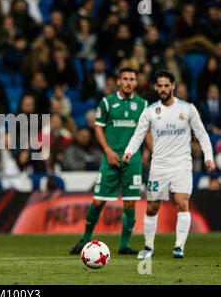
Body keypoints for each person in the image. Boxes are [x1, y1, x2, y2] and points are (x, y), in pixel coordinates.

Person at [122, 70, 215, 259]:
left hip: (181, 164)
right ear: (156, 87)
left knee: (182, 203)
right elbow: (139, 134)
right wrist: (129, 151)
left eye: (167, 85)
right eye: (160, 86)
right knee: (151, 208)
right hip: (159, 166)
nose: (163, 89)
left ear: (173, 86)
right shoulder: (149, 111)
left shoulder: (187, 109)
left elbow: (202, 134)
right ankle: (148, 247)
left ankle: (179, 246)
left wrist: (209, 156)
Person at [69, 68, 150, 256]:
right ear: (119, 82)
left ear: (136, 83)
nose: (129, 82)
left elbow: (146, 131)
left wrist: (148, 151)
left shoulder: (143, 104)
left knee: (130, 203)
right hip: (110, 158)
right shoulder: (107, 103)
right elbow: (98, 128)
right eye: (125, 79)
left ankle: (124, 245)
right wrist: (108, 151)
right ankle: (85, 239)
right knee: (98, 201)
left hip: (133, 160)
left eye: (132, 79)